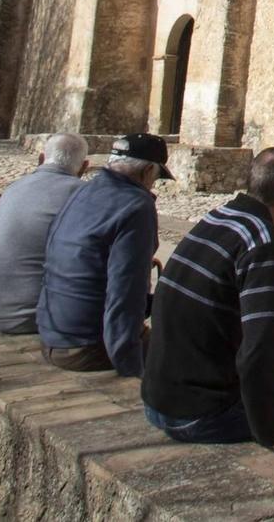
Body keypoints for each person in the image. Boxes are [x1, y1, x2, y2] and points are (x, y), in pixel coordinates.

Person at [141, 147, 274, 502]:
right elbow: (259, 351)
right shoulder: (263, 243)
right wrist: (272, 434)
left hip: (156, 396)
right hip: (197, 411)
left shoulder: (217, 217)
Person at [34, 133, 168, 373]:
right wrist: (129, 363)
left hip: (52, 335)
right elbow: (126, 290)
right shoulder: (136, 205)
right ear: (148, 170)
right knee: (192, 356)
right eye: (156, 178)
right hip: (85, 346)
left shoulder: (84, 191)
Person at [0, 133, 90, 335]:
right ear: (84, 166)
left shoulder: (13, 188)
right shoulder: (82, 194)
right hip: (34, 319)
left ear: (40, 159)